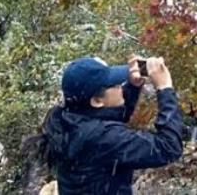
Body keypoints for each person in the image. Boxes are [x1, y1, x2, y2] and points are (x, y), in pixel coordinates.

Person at [25, 56, 183, 194]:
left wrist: (133, 87)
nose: (120, 86)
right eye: (114, 85)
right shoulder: (101, 138)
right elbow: (168, 147)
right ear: (96, 100)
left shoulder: (66, 120)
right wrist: (165, 88)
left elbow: (111, 116)